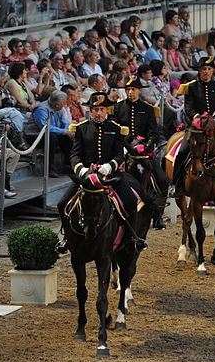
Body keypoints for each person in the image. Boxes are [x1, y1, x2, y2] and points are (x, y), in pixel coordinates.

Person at [56, 91, 149, 254]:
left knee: (130, 202)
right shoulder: (81, 128)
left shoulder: (116, 129)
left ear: (107, 110)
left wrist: (109, 166)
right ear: (90, 111)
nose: (98, 113)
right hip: (86, 176)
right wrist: (82, 170)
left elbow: (119, 155)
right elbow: (75, 154)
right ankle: (66, 239)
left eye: (101, 110)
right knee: (62, 203)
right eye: (95, 110)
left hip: (111, 175)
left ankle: (131, 239)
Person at [169, 56, 215, 199]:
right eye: (204, 69)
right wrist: (199, 119)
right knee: (182, 152)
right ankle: (177, 185)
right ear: (199, 71)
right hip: (196, 129)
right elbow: (188, 109)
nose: (206, 72)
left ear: (213, 70)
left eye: (209, 69)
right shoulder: (191, 87)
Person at [112, 76, 168, 229]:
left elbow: (154, 132)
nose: (130, 92)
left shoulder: (148, 109)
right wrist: (126, 143)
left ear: (139, 91)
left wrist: (149, 144)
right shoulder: (117, 108)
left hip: (144, 150)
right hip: (124, 148)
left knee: (162, 180)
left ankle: (158, 215)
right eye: (128, 89)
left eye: (133, 89)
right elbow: (115, 131)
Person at [32, 90, 72, 176]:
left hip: (55, 132)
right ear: (57, 105)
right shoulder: (41, 109)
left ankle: (67, 165)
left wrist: (66, 131)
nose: (65, 105)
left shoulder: (59, 108)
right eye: (63, 103)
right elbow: (44, 127)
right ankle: (50, 168)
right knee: (52, 138)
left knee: (69, 137)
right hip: (38, 136)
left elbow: (64, 122)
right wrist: (63, 131)